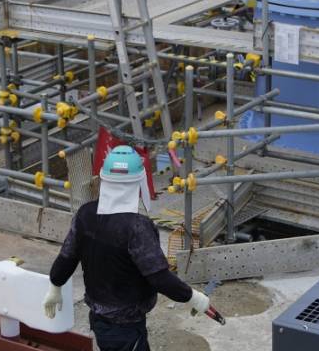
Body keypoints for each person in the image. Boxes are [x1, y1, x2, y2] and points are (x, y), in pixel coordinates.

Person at [43, 145, 210, 350]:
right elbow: (159, 277)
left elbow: (67, 256)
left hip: (98, 317)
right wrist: (193, 297)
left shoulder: (85, 214)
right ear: (138, 183)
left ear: (105, 179)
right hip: (127, 325)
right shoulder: (136, 227)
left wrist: (55, 285)